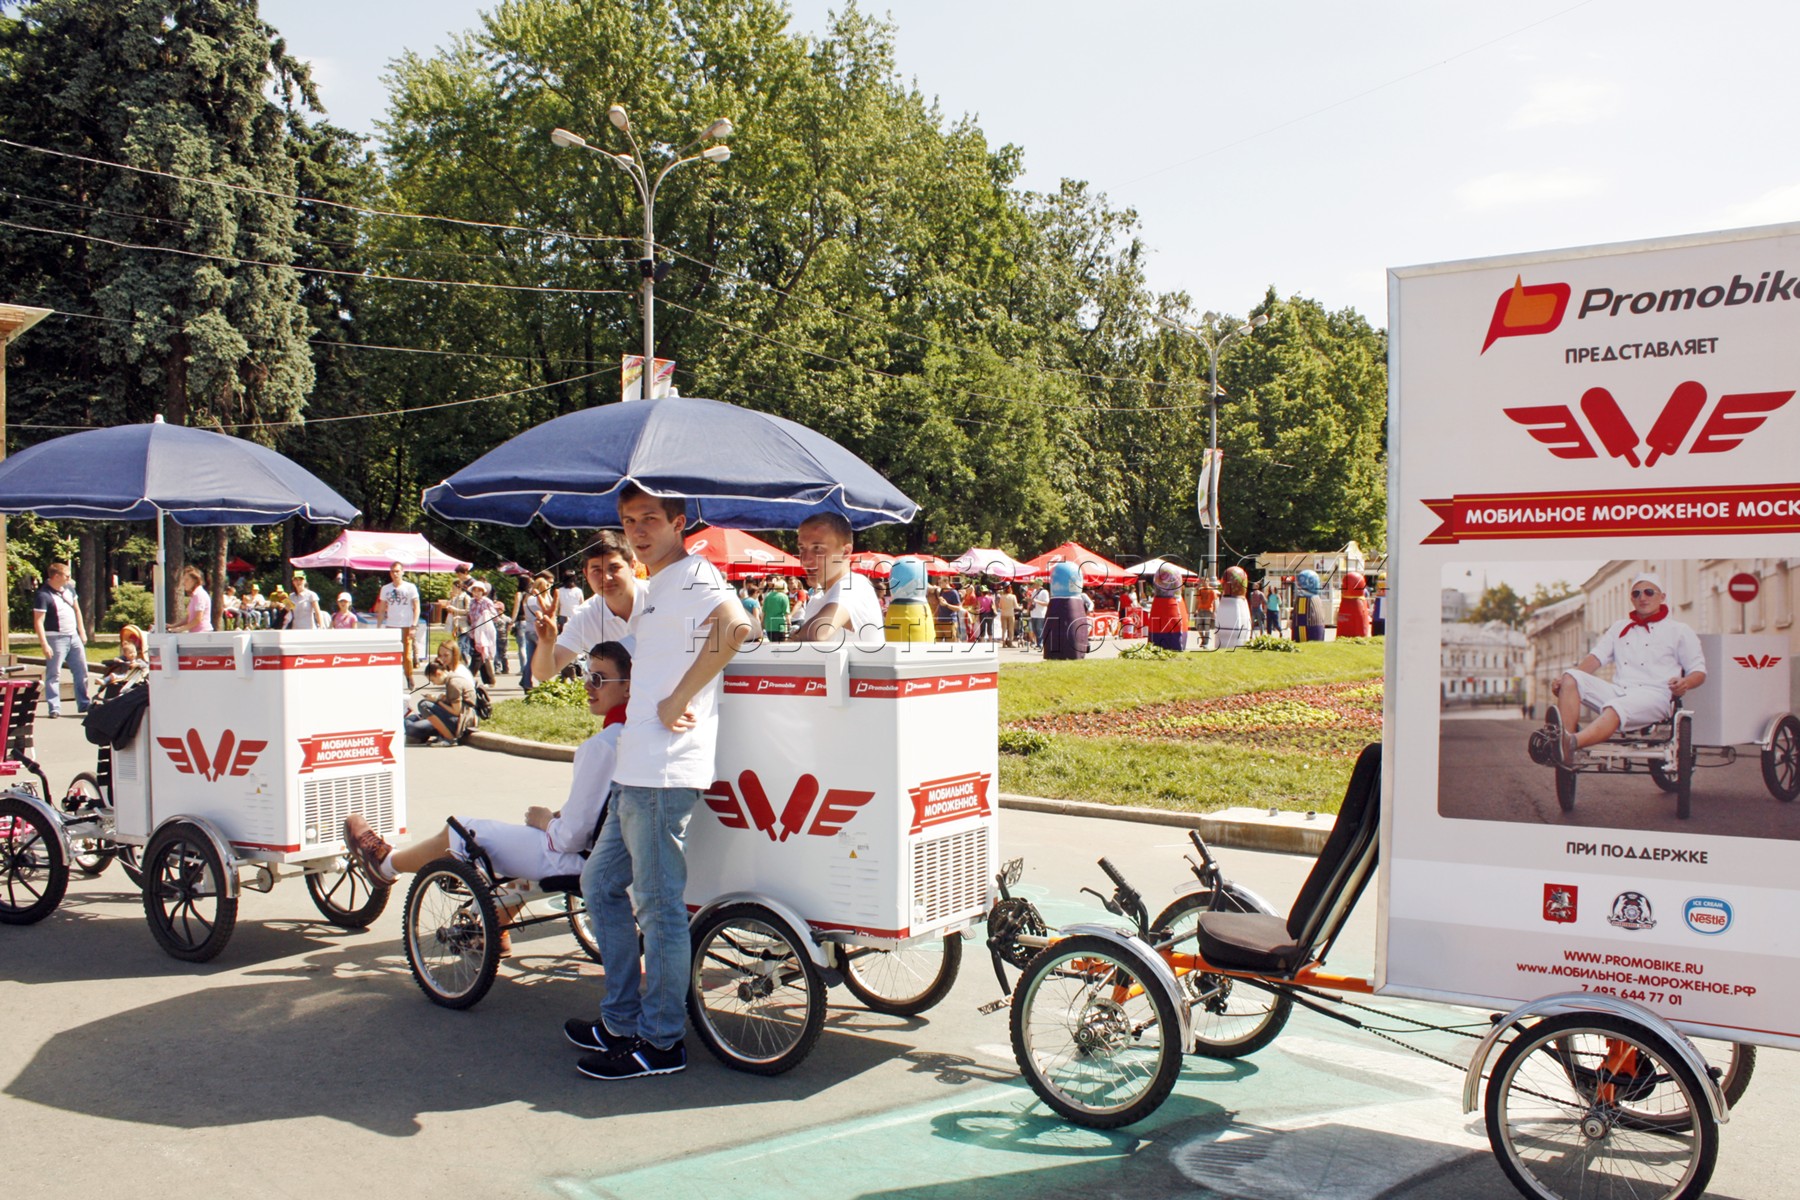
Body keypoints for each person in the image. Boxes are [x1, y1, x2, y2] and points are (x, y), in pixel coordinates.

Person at [566, 483, 752, 1081]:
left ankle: (662, 1041)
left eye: (650, 518)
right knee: (600, 887)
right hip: (635, 766)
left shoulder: (695, 574)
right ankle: (622, 1020)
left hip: (665, 770)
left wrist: (679, 697)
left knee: (659, 909)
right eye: (629, 520)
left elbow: (736, 627)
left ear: (678, 523)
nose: (639, 529)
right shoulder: (655, 588)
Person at [347, 642, 630, 899]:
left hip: (583, 861)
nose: (587, 686)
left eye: (598, 679)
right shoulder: (645, 737)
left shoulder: (602, 746)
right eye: (585, 675)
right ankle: (494, 926)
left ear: (629, 686)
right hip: (627, 859)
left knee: (461, 831)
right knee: (517, 841)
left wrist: (545, 820)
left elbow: (569, 838)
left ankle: (386, 864)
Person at [1546, 572, 1706, 767]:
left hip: (1655, 696)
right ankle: (1566, 750)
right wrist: (1565, 681)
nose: (1642, 598)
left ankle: (1569, 743)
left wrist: (1685, 682)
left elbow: (1698, 671)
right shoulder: (1619, 628)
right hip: (1619, 691)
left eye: (1649, 592)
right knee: (1571, 676)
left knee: (1616, 708)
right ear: (1631, 598)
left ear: (1662, 597)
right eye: (1636, 594)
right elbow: (1596, 657)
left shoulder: (1679, 631)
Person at [531, 534, 644, 686]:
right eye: (596, 570)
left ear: (632, 566)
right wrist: (546, 642)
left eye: (614, 568)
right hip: (623, 708)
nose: (606, 577)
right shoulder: (584, 617)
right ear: (586, 574)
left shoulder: (666, 598)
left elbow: (688, 654)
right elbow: (543, 673)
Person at [791, 512, 884, 646]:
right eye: (801, 548)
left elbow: (819, 631)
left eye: (817, 548)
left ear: (845, 552)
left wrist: (791, 639)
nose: (805, 559)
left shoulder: (855, 585)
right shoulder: (817, 599)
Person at [33, 561, 91, 718]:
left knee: (81, 671)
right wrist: (44, 644)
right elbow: (38, 621)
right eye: (66, 575)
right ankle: (54, 707)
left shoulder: (69, 589)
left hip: (73, 636)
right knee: (54, 673)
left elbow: (77, 610)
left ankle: (84, 703)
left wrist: (82, 631)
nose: (69, 578)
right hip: (55, 637)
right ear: (56, 576)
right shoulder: (43, 595)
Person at [404, 660, 476, 744]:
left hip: (461, 722)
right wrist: (442, 700)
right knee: (410, 719)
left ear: (438, 673)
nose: (434, 684)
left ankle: (449, 738)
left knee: (423, 705)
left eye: (433, 680)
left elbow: (456, 711)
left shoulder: (454, 683)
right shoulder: (452, 680)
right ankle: (441, 735)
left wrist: (437, 701)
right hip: (459, 718)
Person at [375, 562, 422, 688]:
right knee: (391, 653)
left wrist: (414, 625)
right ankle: (392, 678)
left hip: (406, 624)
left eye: (397, 571)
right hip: (391, 624)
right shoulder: (386, 588)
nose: (395, 574)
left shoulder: (410, 587)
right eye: (392, 571)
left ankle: (409, 676)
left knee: (406, 655)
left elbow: (417, 607)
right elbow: (381, 609)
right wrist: (379, 626)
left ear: (402, 572)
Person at [96, 623, 150, 699]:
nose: (132, 654)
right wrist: (118, 660)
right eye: (130, 653)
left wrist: (137, 664)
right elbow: (117, 659)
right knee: (112, 672)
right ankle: (104, 681)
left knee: (114, 675)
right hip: (122, 672)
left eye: (133, 652)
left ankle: (106, 680)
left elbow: (145, 665)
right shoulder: (125, 657)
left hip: (129, 675)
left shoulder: (139, 659)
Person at [466, 578, 501, 686]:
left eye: (479, 591)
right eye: (474, 591)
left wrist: (487, 614)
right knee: (482, 656)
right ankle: (490, 680)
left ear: (483, 592)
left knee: (477, 656)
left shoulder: (487, 602)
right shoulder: (471, 602)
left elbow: (495, 617)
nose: (476, 593)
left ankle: (468, 678)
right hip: (474, 632)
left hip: (483, 633)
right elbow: (469, 615)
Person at [168, 564, 212, 633]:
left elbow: (198, 619)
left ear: (194, 581)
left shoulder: (199, 595)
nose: (184, 583)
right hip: (195, 633)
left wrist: (180, 629)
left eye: (187, 580)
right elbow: (189, 618)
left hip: (202, 633)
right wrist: (173, 626)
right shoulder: (194, 595)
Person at [760, 576, 790, 642]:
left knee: (772, 645)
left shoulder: (768, 596)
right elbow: (786, 614)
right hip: (780, 625)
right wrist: (789, 625)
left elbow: (764, 612)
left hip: (769, 625)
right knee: (781, 646)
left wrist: (762, 624)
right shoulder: (784, 597)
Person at [1028, 580, 1049, 646]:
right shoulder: (1034, 591)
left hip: (1040, 614)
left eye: (1035, 583)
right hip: (1033, 613)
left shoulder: (1044, 592)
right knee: (1034, 629)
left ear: (1038, 584)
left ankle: (1040, 643)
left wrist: (1036, 601)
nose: (1033, 584)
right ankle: (1037, 642)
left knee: (1039, 629)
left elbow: (1046, 603)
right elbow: (1032, 600)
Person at [997, 583, 1019, 647]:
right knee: (1011, 629)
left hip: (1003, 614)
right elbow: (1016, 606)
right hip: (1011, 614)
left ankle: (1003, 643)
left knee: (1004, 629)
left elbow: (1000, 606)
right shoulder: (1013, 596)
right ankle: (1010, 643)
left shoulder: (1002, 597)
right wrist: (1021, 607)